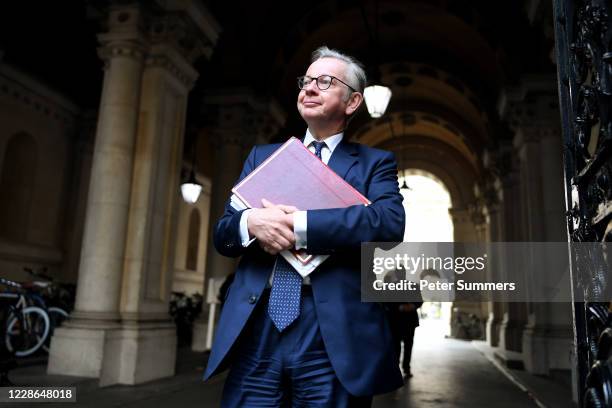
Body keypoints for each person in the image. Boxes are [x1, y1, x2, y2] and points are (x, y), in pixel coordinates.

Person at [203, 46, 406, 407]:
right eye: (306, 80)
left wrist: (298, 225)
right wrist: (251, 222)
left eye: (325, 81)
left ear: (353, 102)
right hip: (258, 326)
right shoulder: (262, 158)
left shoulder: (375, 164)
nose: (309, 88)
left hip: (331, 336)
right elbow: (223, 233)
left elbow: (388, 224)